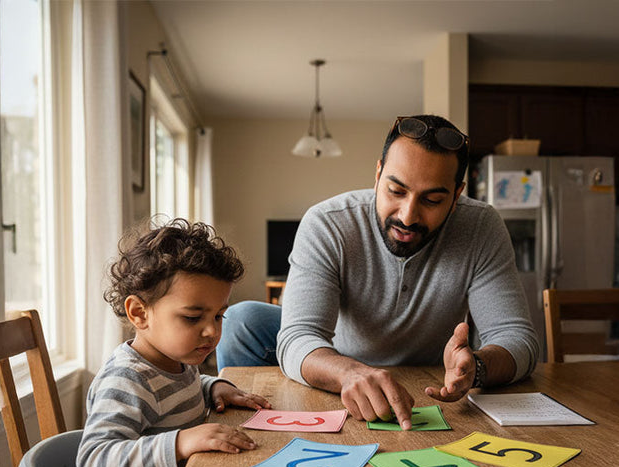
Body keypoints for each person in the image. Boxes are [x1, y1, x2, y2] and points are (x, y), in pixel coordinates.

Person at [217, 114, 538, 430]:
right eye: (396, 191)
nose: (408, 216)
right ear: (378, 174)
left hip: (428, 371)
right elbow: (298, 336)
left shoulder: (481, 227)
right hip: (339, 356)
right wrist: (348, 373)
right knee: (241, 320)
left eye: (433, 199)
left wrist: (477, 368)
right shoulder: (327, 223)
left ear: (456, 196)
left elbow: (518, 339)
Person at [75, 218, 270, 467]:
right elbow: (96, 464)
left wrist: (216, 386)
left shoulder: (178, 363)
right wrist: (180, 443)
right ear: (139, 313)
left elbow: (181, 391)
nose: (212, 331)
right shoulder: (126, 381)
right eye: (193, 317)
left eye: (218, 316)